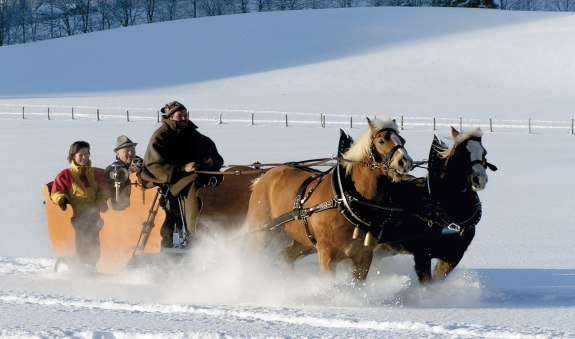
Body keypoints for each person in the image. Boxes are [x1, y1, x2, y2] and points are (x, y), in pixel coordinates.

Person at [141, 101, 224, 248]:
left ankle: (221, 227)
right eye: (180, 116)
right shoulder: (160, 136)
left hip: (199, 175)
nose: (184, 118)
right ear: (171, 117)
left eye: (186, 115)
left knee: (221, 180)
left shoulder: (195, 135)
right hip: (172, 182)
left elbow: (216, 157)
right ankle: (195, 232)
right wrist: (182, 168)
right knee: (195, 183)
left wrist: (212, 162)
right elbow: (154, 165)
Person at [50, 141, 109, 270]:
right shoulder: (65, 175)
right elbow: (56, 192)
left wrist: (100, 202)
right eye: (80, 154)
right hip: (76, 216)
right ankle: (82, 264)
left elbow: (103, 191)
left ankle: (93, 264)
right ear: (73, 156)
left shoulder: (95, 173)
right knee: (82, 237)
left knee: (95, 238)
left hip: (94, 214)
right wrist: (62, 199)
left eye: (86, 153)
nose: (84, 157)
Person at [105, 135, 143, 210]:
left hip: (141, 205)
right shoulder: (111, 169)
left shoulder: (142, 165)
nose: (130, 153)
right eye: (126, 151)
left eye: (132, 150)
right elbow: (105, 189)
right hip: (121, 208)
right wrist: (110, 202)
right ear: (118, 154)